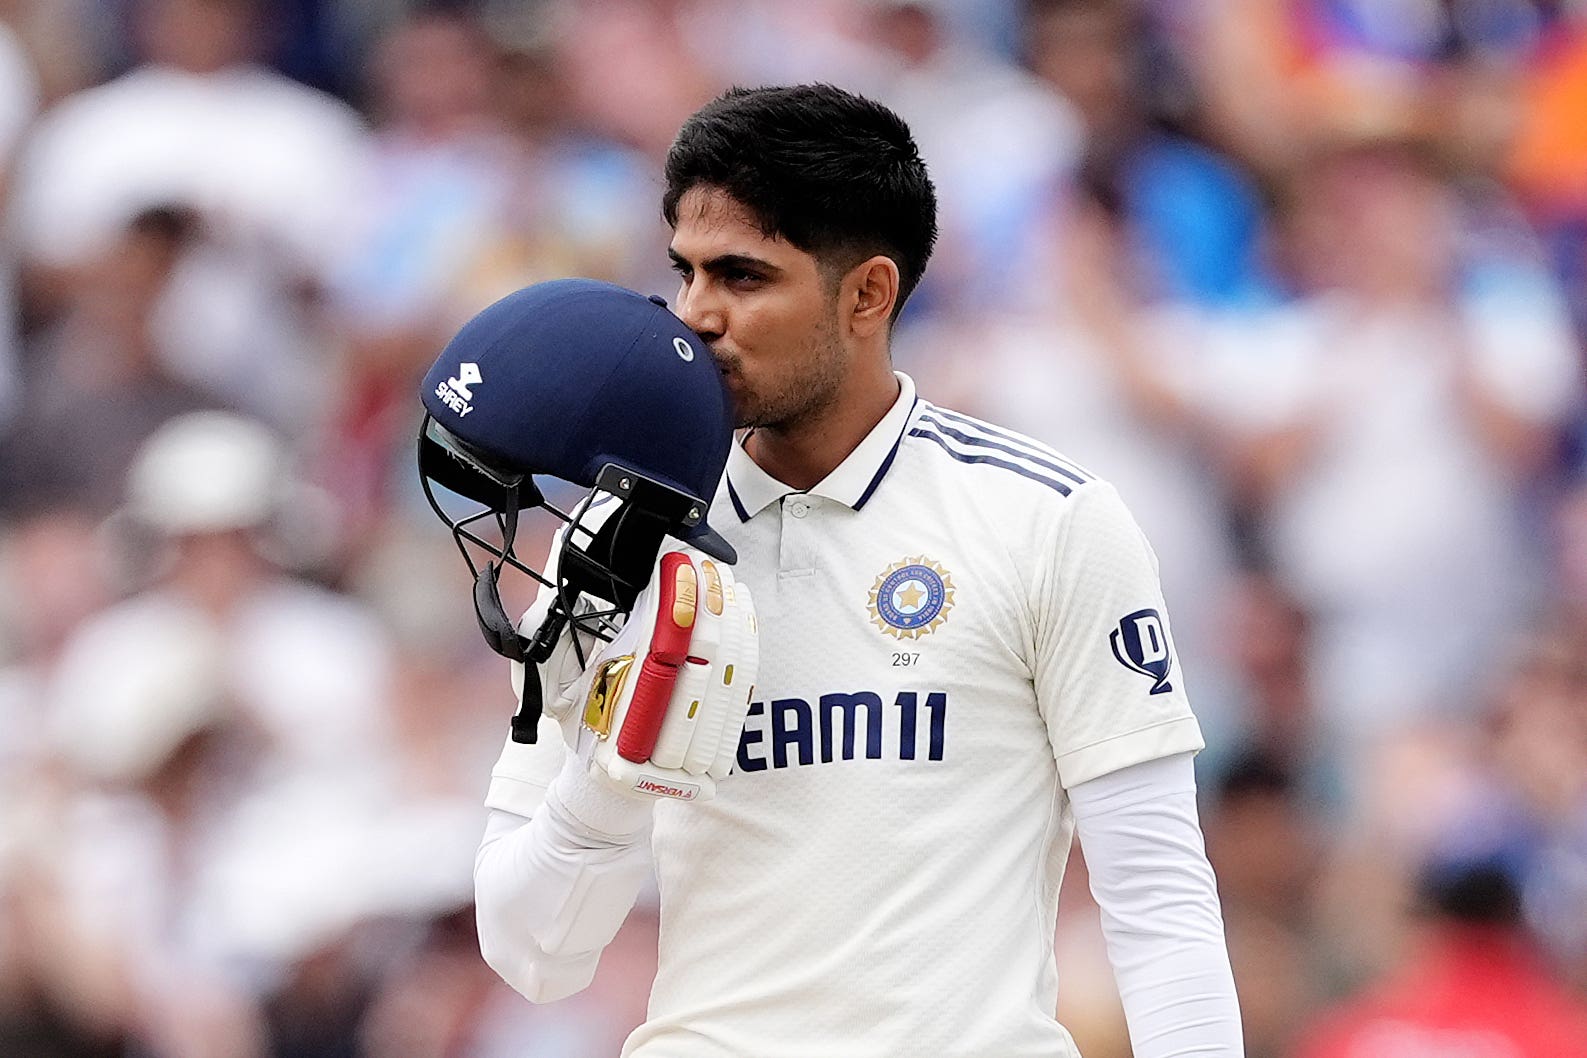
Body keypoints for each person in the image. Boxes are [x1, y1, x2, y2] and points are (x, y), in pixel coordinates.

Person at [468, 84, 1243, 1057]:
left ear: (868, 292)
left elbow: (1158, 894)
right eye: (686, 272)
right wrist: (608, 776)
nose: (697, 314)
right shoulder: (610, 541)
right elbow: (531, 954)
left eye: (743, 277)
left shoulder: (1046, 520)